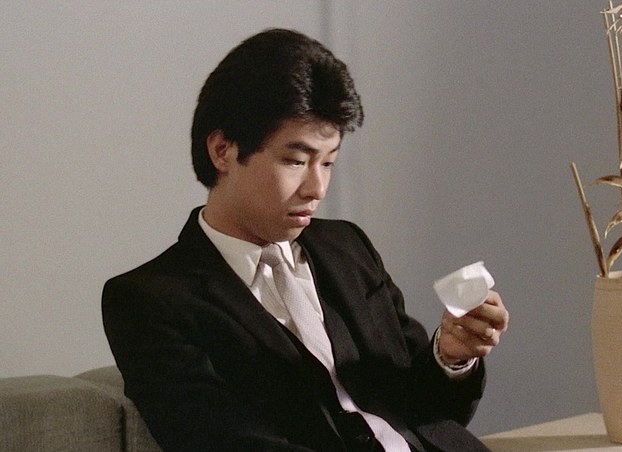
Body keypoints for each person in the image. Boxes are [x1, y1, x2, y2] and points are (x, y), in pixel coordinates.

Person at [102, 28, 509, 452]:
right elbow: (222, 441)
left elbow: (425, 410)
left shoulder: (348, 247)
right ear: (222, 150)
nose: (317, 188)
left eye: (328, 162)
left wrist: (451, 355)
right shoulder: (148, 301)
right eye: (296, 161)